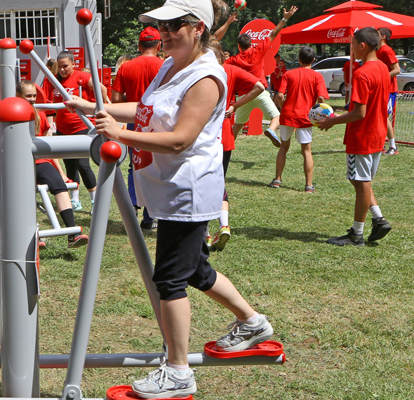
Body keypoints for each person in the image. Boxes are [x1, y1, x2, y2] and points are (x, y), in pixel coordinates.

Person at [69, 0, 273, 396]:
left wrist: (118, 134)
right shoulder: (170, 65)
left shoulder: (205, 77)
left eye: (173, 25)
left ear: (198, 27)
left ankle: (179, 371)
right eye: (160, 25)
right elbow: (146, 110)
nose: (163, 33)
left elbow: (180, 139)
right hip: (169, 187)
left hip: (188, 189)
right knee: (194, 269)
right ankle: (252, 322)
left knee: (169, 278)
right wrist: (97, 108)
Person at [0, 80, 89, 248]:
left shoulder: (40, 115)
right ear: (18, 96)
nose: (33, 99)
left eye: (34, 95)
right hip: (16, 164)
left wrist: (62, 174)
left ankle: (72, 232)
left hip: (39, 162)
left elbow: (48, 149)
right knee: (21, 194)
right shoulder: (9, 116)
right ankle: (30, 236)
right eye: (28, 96)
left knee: (59, 186)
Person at [318, 27, 393, 247]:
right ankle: (378, 219)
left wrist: (333, 120)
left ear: (362, 45)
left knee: (361, 183)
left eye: (352, 44)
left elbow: (360, 112)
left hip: (362, 136)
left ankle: (356, 234)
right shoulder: (381, 67)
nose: (350, 48)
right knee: (360, 180)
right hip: (377, 133)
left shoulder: (362, 73)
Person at [216, 6, 299, 146]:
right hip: (259, 93)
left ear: (239, 45)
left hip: (243, 97)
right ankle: (271, 130)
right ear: (251, 43)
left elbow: (216, 42)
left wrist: (228, 23)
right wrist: (285, 18)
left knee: (237, 125)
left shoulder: (233, 60)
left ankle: (226, 146)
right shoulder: (258, 50)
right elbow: (273, 33)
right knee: (277, 116)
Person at [209, 40, 264, 251]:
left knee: (201, 181)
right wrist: (234, 105)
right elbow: (259, 86)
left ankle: (204, 233)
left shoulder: (199, 71)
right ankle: (224, 224)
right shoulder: (230, 70)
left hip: (204, 133)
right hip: (224, 133)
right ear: (222, 55)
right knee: (219, 180)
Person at [41, 50, 110, 211]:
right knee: (69, 164)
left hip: (82, 126)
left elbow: (102, 89)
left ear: (73, 64)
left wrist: (100, 105)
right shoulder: (54, 80)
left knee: (82, 164)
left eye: (65, 66)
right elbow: (46, 101)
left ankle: (95, 200)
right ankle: (75, 199)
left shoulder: (82, 77)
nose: (62, 70)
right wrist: (49, 123)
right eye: (60, 67)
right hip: (63, 128)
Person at [112, 26, 165, 231]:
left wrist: (134, 98)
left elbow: (116, 101)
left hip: (136, 121)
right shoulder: (166, 66)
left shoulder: (126, 67)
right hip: (159, 122)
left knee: (135, 166)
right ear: (159, 45)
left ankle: (134, 207)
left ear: (139, 45)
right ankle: (151, 214)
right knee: (158, 166)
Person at [271, 46, 328, 193]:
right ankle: (309, 185)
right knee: (306, 151)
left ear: (299, 59)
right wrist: (318, 113)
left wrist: (283, 108)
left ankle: (277, 179)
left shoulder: (289, 74)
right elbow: (321, 98)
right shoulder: (317, 76)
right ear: (313, 60)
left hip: (288, 115)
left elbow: (280, 95)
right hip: (305, 117)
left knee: (284, 147)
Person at [376, 27, 400, 155]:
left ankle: (393, 146)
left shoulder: (386, 50)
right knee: (379, 116)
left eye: (377, 33)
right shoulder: (377, 51)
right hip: (381, 89)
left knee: (384, 116)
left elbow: (397, 69)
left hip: (389, 89)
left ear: (383, 36)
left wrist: (381, 79)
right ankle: (381, 144)